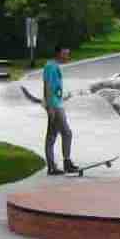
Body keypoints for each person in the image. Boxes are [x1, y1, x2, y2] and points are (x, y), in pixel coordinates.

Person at [43, 45, 77, 175]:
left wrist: (61, 97)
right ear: (57, 54)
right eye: (65, 54)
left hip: (56, 103)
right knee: (66, 133)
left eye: (68, 53)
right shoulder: (51, 67)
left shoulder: (52, 66)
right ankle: (65, 163)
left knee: (52, 136)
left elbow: (52, 86)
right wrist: (50, 106)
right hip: (55, 106)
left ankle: (52, 166)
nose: (67, 56)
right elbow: (47, 86)